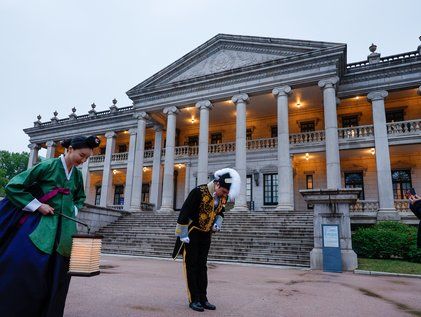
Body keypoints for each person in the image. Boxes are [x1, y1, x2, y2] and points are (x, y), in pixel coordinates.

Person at [0, 135, 100, 317]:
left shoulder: (77, 175)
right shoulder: (48, 166)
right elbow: (13, 186)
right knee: (27, 271)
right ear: (70, 149)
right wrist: (38, 205)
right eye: (82, 155)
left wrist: (73, 210)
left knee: (58, 278)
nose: (83, 161)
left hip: (65, 232)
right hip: (39, 227)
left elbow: (80, 198)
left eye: (87, 158)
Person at [173, 168, 241, 312]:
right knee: (191, 266)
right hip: (191, 234)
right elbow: (184, 211)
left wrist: (218, 223)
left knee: (202, 266)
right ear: (217, 185)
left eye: (227, 194)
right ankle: (194, 299)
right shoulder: (198, 191)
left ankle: (203, 298)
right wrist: (182, 234)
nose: (225, 196)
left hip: (206, 234)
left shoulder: (222, 197)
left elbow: (221, 212)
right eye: (223, 192)